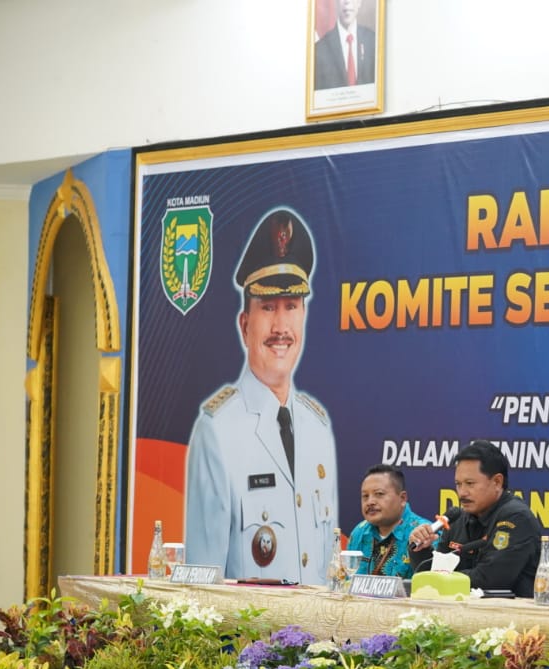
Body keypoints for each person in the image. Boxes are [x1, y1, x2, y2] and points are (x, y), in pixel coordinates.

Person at [184, 207, 338, 584]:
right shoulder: (217, 431)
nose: (281, 326)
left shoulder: (318, 427)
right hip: (248, 626)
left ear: (304, 317)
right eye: (268, 308)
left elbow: (329, 567)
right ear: (245, 325)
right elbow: (203, 581)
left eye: (291, 307)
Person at [407, 440, 541, 597]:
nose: (462, 493)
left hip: (506, 611)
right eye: (458, 484)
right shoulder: (457, 519)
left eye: (470, 483)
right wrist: (421, 550)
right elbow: (431, 576)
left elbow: (490, 579)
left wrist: (441, 578)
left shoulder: (517, 518)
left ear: (497, 482)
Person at [347, 464, 432, 578]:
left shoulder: (424, 534)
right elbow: (347, 582)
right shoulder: (359, 532)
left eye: (379, 494)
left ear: (402, 498)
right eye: (365, 496)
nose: (370, 502)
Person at [314, 0, 376, 90]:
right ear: (336, 3)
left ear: (359, 3)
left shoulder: (373, 41)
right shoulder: (320, 50)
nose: (347, 2)